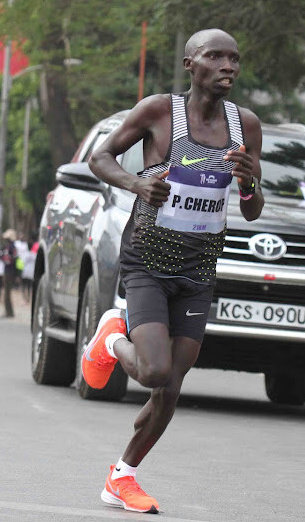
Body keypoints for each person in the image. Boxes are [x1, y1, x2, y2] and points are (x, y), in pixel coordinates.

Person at [83, 28, 263, 513]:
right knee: (154, 371)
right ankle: (110, 339)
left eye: (234, 58)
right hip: (147, 259)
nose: (228, 66)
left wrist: (248, 183)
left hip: (199, 267)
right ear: (190, 64)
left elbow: (252, 210)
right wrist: (137, 185)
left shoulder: (245, 124)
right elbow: (100, 157)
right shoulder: (159, 111)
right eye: (215, 56)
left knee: (170, 388)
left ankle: (123, 476)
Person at [0, 229, 18, 318]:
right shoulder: (8, 247)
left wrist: (4, 258)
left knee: (7, 293)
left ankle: (9, 312)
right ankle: (8, 311)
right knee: (6, 293)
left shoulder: (12, 247)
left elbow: (11, 259)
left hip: (9, 272)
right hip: (8, 271)